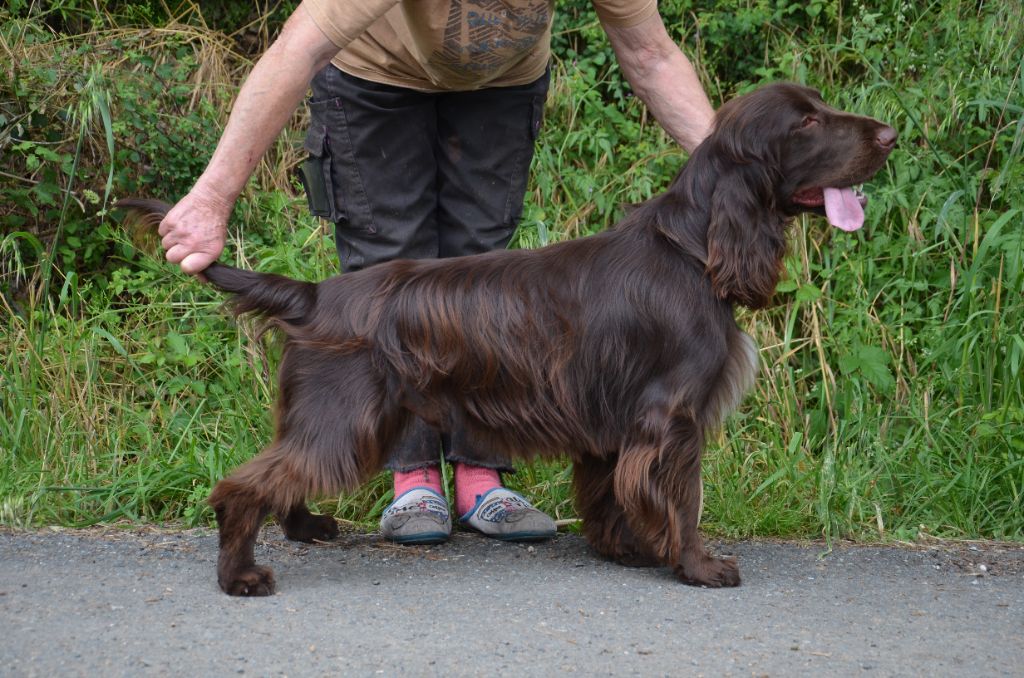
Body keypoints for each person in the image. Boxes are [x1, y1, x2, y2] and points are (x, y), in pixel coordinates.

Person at [157, 0, 716, 545]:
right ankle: (414, 480)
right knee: (385, 285)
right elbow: (295, 51)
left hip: (500, 85)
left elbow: (651, 55)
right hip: (377, 80)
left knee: (491, 294)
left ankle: (480, 478)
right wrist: (213, 194)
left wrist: (731, 166)